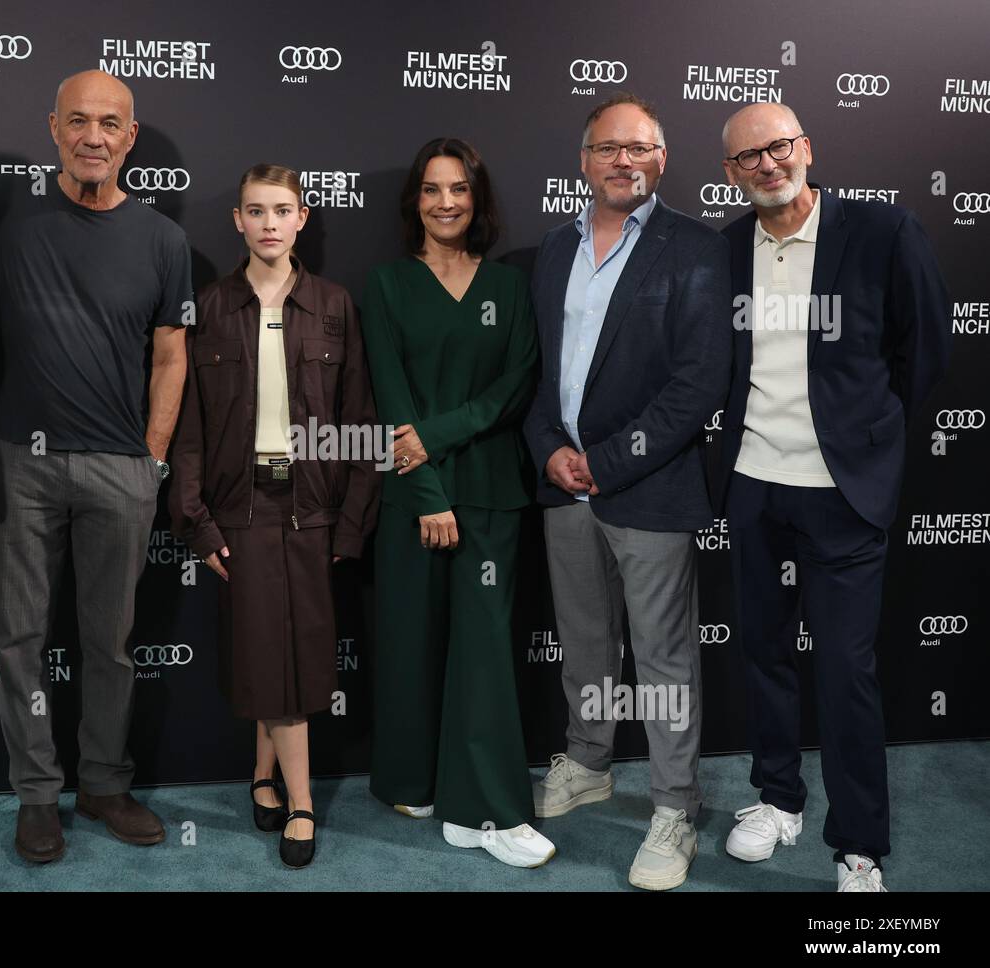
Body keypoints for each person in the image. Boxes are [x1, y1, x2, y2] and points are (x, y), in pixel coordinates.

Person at [716, 103, 950, 893]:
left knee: (846, 672)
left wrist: (865, 440)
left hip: (843, 495)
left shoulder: (882, 233)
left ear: (806, 148)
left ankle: (857, 846)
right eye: (749, 157)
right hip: (751, 485)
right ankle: (777, 799)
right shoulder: (725, 247)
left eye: (778, 147)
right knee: (763, 653)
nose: (767, 164)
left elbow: (924, 353)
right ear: (731, 173)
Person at [0, 70, 191, 863]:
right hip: (19, 466)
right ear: (54, 128)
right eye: (78, 121)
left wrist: (153, 459)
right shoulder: (5, 215)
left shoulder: (164, 241)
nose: (93, 136)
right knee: (20, 639)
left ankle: (103, 782)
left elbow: (171, 355)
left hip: (119, 470)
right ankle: (37, 795)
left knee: (111, 642)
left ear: (130, 137)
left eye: (110, 123)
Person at [523, 92, 731, 890]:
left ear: (662, 161)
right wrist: (551, 452)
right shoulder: (553, 247)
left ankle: (674, 806)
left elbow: (698, 381)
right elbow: (544, 373)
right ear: (584, 161)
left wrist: (606, 459)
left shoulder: (695, 248)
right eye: (609, 148)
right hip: (564, 487)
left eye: (639, 149)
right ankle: (589, 761)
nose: (624, 161)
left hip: (649, 486)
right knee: (584, 645)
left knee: (665, 660)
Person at [169, 164, 379, 868]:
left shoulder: (334, 305)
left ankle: (260, 775)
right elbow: (190, 428)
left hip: (313, 506)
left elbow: (358, 422)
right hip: (242, 508)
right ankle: (303, 804)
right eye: (254, 210)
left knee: (294, 653)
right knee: (269, 649)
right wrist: (195, 520)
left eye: (280, 209)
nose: (267, 222)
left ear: (302, 218)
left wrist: (352, 521)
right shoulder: (209, 307)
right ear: (237, 221)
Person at [364, 138, 550, 868]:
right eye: (433, 189)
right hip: (417, 495)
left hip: (494, 493)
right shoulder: (385, 284)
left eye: (460, 190)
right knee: (410, 643)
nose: (446, 203)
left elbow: (515, 385)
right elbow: (389, 396)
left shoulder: (507, 287)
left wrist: (436, 435)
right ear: (415, 200)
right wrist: (428, 494)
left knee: (483, 656)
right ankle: (413, 780)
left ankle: (486, 811)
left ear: (479, 200)